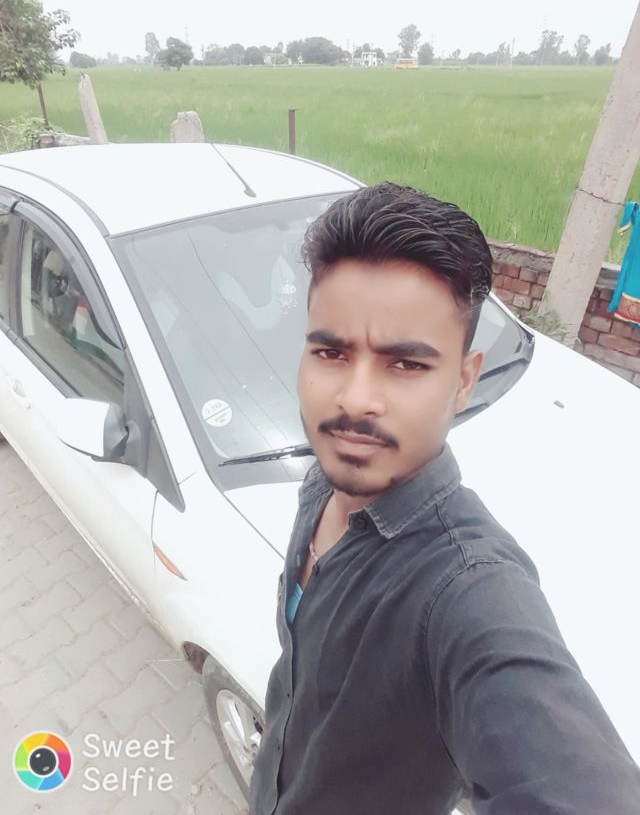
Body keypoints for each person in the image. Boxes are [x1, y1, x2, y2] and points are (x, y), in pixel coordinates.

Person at [249, 183, 640, 815]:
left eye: (405, 364)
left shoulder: (466, 587)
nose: (355, 399)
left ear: (463, 380)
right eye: (331, 352)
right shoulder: (326, 479)